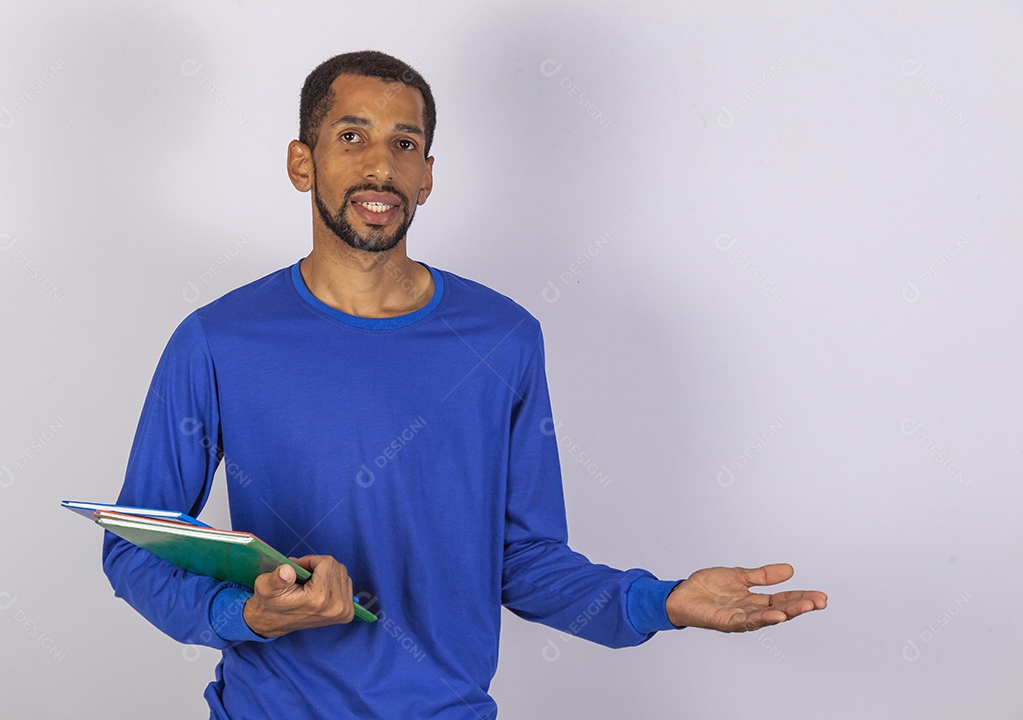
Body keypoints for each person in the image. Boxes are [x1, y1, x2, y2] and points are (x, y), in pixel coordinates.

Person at [103, 50, 827, 719]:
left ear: (426, 176)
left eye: (404, 143)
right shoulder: (218, 339)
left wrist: (661, 603)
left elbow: (523, 560)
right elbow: (137, 545)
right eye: (351, 137)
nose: (380, 167)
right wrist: (245, 614)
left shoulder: (503, 339)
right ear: (302, 163)